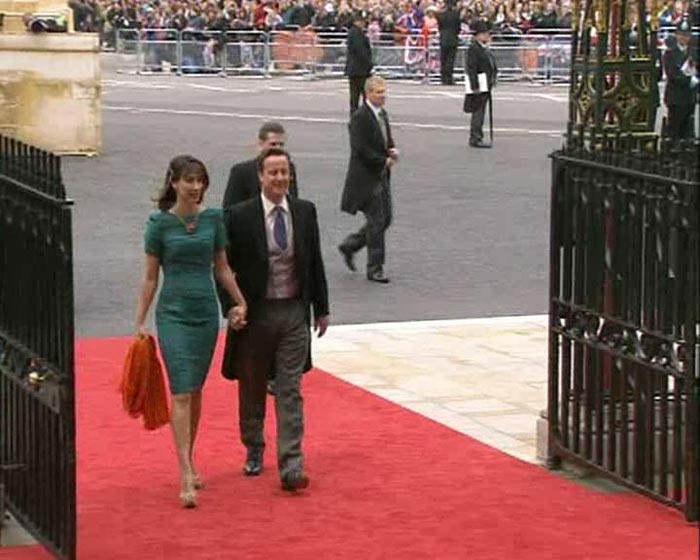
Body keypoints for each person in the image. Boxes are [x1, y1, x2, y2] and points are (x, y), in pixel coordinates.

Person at [134, 155, 248, 509]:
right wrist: (139, 321)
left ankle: (191, 456)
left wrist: (239, 302)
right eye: (188, 180)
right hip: (172, 315)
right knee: (180, 390)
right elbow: (151, 277)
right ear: (174, 182)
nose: (195, 186)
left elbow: (223, 268)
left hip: (205, 315)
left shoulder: (214, 219)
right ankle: (185, 471)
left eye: (200, 180)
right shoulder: (159, 224)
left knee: (195, 390)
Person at [220, 147, 330, 491]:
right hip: (257, 313)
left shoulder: (305, 212)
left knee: (289, 389)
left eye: (285, 172)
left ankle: (291, 464)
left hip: (294, 312)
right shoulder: (239, 216)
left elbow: (314, 260)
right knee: (252, 386)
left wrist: (321, 307)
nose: (280, 178)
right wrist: (232, 306)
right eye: (273, 173)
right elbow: (223, 268)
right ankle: (253, 447)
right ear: (260, 177)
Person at [339, 76, 398, 284]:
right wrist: (383, 161)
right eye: (379, 92)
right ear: (368, 94)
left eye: (384, 91)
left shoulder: (383, 114)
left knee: (386, 219)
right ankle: (375, 268)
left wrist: (391, 149)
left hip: (381, 176)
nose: (383, 95)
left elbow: (384, 139)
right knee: (377, 220)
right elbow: (360, 149)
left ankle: (351, 245)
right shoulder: (359, 117)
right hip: (366, 177)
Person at [223, 122, 300, 209]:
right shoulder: (241, 172)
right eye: (273, 144)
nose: (278, 148)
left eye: (281, 145)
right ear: (260, 143)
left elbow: (294, 200)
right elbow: (229, 209)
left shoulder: (289, 168)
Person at [663, 18, 698, 140]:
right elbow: (672, 75)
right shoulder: (670, 53)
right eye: (681, 35)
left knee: (688, 129)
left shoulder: (693, 52)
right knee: (675, 130)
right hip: (676, 97)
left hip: (690, 96)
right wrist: (689, 80)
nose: (684, 38)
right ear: (676, 35)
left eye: (686, 35)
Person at [465, 19, 498, 148]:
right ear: (478, 35)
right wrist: (475, 86)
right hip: (480, 82)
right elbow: (471, 68)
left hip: (486, 82)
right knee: (478, 111)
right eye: (484, 33)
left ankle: (478, 135)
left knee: (481, 111)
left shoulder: (484, 48)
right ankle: (475, 137)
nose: (487, 36)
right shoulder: (474, 48)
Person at [345, 11, 373, 114]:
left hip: (357, 69)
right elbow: (360, 50)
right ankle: (361, 116)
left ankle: (358, 115)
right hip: (359, 69)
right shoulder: (355, 33)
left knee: (356, 96)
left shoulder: (355, 32)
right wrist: (369, 64)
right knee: (362, 95)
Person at [437, 0, 461, 85]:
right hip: (453, 38)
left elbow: (440, 27)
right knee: (450, 59)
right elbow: (458, 28)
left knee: (443, 59)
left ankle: (443, 78)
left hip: (443, 38)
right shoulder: (456, 14)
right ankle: (449, 78)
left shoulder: (441, 14)